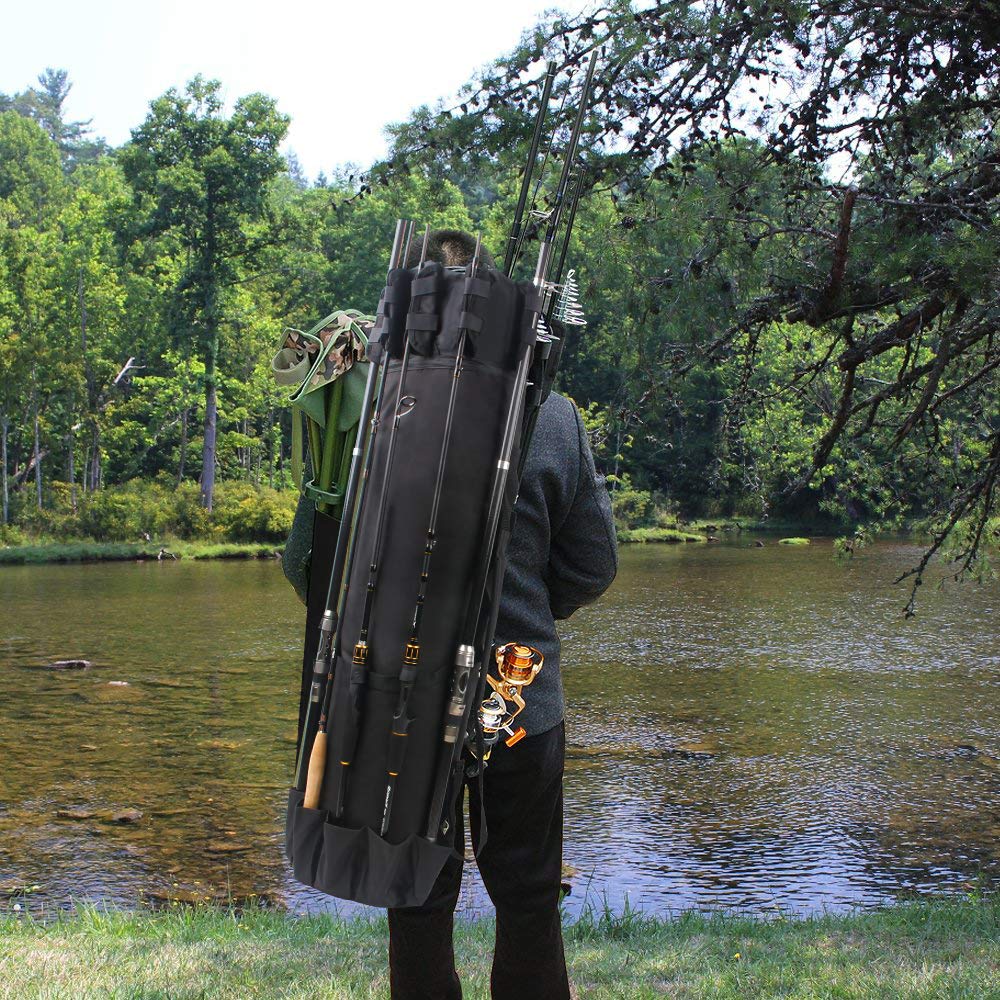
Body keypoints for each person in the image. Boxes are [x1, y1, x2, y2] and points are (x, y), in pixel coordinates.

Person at [282, 230, 618, 1000]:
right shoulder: (554, 416)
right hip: (516, 694)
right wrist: (526, 613)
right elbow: (593, 565)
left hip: (395, 695)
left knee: (414, 891)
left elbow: (309, 566)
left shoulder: (359, 416)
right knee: (528, 894)